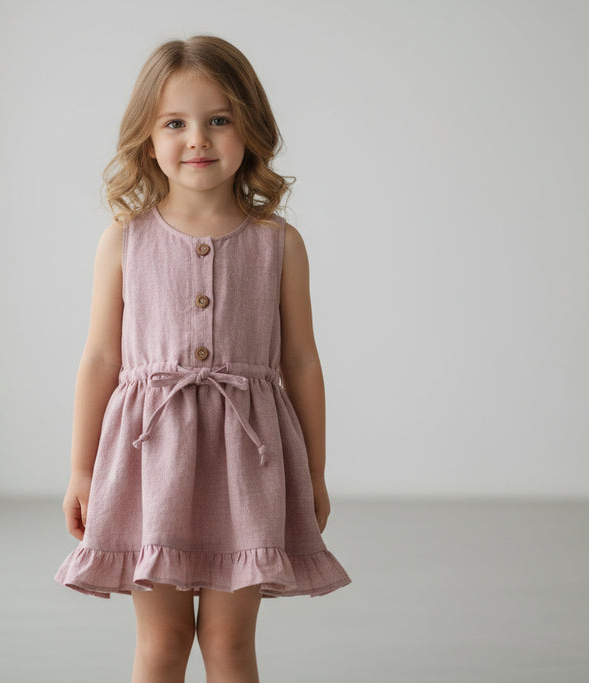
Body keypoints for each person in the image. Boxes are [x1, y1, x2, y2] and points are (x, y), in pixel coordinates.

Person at [55, 35, 351, 683]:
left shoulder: (279, 243)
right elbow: (101, 358)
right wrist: (81, 468)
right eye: (175, 123)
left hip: (247, 467)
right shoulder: (123, 241)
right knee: (161, 644)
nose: (198, 139)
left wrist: (316, 472)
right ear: (147, 136)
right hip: (147, 460)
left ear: (250, 126)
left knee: (228, 641)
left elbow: (301, 361)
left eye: (219, 119)